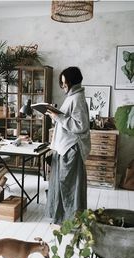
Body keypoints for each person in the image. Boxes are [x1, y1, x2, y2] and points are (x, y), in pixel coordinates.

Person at [45, 66, 91, 225]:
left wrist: (57, 117)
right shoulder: (72, 96)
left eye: (65, 83)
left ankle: (71, 221)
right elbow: (66, 120)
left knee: (69, 186)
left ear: (73, 82)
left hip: (70, 149)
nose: (63, 86)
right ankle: (63, 219)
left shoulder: (77, 98)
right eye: (62, 83)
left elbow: (80, 126)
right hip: (65, 147)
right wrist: (54, 114)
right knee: (63, 185)